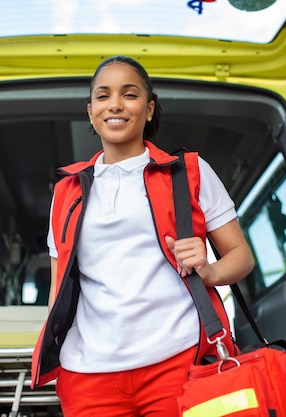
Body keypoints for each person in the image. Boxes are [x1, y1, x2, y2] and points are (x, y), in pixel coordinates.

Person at [31, 55, 254, 416]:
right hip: (87, 373)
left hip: (179, 360)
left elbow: (241, 256)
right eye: (103, 96)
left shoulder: (190, 172)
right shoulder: (66, 189)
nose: (115, 104)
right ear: (90, 112)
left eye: (129, 94)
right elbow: (59, 289)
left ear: (149, 109)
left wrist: (210, 271)